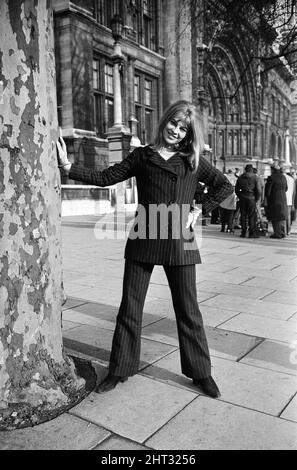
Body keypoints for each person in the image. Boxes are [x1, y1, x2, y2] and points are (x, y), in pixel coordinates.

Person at [57, 100, 233, 398]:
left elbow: (224, 185)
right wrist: (68, 167)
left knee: (188, 310)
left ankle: (201, 373)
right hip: (144, 236)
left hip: (180, 241)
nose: (175, 131)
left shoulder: (192, 160)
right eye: (173, 124)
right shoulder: (142, 156)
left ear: (189, 134)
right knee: (130, 307)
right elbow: (105, 177)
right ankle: (120, 369)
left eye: (183, 128)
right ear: (164, 120)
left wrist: (199, 209)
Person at [235, 164, 262, 238]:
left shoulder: (240, 177)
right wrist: (257, 198)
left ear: (245, 170)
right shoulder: (255, 178)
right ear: (252, 170)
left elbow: (236, 189)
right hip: (251, 198)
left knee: (243, 215)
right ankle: (251, 232)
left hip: (243, 197)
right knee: (252, 216)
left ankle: (243, 232)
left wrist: (240, 196)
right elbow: (259, 190)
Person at [265, 164, 288, 239]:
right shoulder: (283, 177)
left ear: (272, 170)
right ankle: (282, 232)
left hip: (274, 199)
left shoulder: (271, 177)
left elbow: (268, 191)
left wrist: (267, 197)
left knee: (275, 217)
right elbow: (286, 188)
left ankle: (277, 233)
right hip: (283, 198)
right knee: (281, 217)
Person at [284, 171, 296, 235]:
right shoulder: (292, 180)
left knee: (283, 215)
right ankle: (288, 230)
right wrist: (293, 203)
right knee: (288, 216)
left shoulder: (282, 177)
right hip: (289, 200)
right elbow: (294, 192)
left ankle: (284, 230)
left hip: (282, 199)